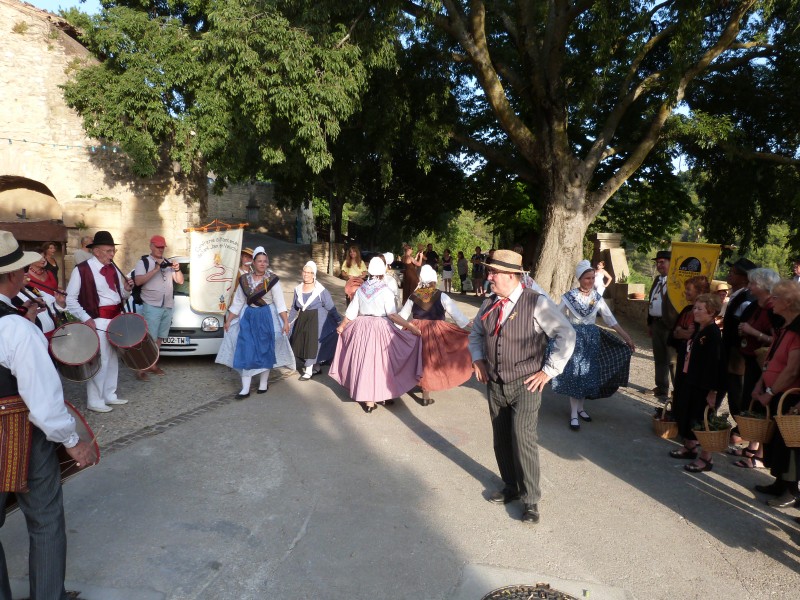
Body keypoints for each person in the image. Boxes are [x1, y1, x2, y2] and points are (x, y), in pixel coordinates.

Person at [0, 231, 98, 600]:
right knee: (44, 520)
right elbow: (41, 397)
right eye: (21, 272)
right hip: (19, 431)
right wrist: (72, 442)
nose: (26, 276)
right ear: (11, 277)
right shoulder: (15, 329)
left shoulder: (14, 322)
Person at [468, 250, 576, 524]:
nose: (489, 277)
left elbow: (566, 333)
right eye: (490, 272)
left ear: (511, 276)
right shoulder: (490, 303)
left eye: (494, 273)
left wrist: (548, 371)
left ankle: (531, 500)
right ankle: (511, 486)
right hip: (495, 382)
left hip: (526, 383)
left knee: (523, 437)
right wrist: (478, 359)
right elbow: (476, 333)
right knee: (501, 436)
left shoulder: (536, 302)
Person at [329, 257, 422, 413]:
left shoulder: (362, 289)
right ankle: (383, 395)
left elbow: (351, 312)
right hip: (380, 327)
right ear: (382, 271)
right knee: (383, 362)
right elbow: (392, 315)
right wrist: (410, 326)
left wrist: (343, 325)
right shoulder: (385, 290)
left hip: (361, 326)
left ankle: (369, 401)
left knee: (365, 362)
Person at [551, 260, 635, 430]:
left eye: (592, 278)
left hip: (591, 339)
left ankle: (581, 408)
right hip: (575, 339)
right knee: (576, 373)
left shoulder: (597, 298)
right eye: (587, 278)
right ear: (580, 279)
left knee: (587, 373)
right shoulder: (569, 297)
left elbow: (610, 320)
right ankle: (574, 413)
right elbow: (555, 315)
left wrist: (627, 338)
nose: (591, 281)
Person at [65, 230, 133, 413]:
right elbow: (70, 300)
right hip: (98, 319)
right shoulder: (82, 270)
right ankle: (94, 401)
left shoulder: (112, 269)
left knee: (112, 359)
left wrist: (126, 290)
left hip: (115, 318)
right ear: (96, 251)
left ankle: (109, 395)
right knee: (100, 360)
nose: (112, 254)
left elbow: (119, 296)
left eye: (113, 251)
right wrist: (87, 319)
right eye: (109, 251)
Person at [750, 280, 800, 507]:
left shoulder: (798, 330)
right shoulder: (786, 325)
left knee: (789, 443)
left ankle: (790, 490)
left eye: (777, 298)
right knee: (777, 441)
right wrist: (761, 382)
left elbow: (792, 370)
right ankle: (779, 483)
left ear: (788, 302)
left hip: (788, 395)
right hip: (775, 390)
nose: (773, 301)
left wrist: (770, 391)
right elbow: (773, 356)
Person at [221, 247, 293, 398]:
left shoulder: (272, 280)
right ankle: (245, 388)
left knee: (264, 349)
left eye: (265, 261)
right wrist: (229, 320)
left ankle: (263, 383)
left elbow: (280, 303)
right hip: (248, 316)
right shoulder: (244, 280)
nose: (262, 264)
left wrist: (285, 322)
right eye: (259, 261)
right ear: (253, 262)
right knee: (245, 348)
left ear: (267, 263)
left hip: (266, 316)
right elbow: (238, 302)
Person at [729, 268, 783, 467]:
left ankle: (760, 455)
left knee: (763, 405)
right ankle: (752, 446)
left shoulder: (773, 309)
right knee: (752, 401)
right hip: (752, 360)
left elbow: (776, 340)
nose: (749, 286)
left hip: (766, 364)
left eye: (753, 283)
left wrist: (753, 332)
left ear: (763, 286)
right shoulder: (756, 305)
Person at [667, 293, 726, 473]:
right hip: (690, 380)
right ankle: (689, 447)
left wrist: (713, 391)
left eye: (700, 309)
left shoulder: (713, 334)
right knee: (688, 414)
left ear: (711, 312)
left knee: (702, 420)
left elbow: (716, 365)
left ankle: (706, 458)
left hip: (703, 385)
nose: (695, 311)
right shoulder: (699, 329)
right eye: (695, 307)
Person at [399, 265, 472, 406]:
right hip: (436, 330)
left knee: (418, 358)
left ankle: (421, 387)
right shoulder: (442, 295)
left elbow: (403, 315)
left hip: (417, 329)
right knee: (431, 360)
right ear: (433, 279)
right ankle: (427, 392)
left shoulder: (414, 295)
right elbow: (456, 315)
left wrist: (394, 329)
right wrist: (469, 325)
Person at [133, 235, 184, 381]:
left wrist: (177, 269)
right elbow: (138, 281)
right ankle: (141, 368)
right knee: (148, 338)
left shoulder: (169, 262)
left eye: (162, 247)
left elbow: (179, 281)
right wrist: (156, 269)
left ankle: (153, 365)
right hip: (151, 305)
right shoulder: (143, 262)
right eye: (158, 246)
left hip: (167, 305)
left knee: (160, 338)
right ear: (151, 246)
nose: (160, 249)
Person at [721, 257, 758, 443]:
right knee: (726, 388)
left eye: (733, 272)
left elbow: (741, 330)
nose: (729, 274)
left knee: (737, 392)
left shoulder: (747, 299)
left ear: (744, 279)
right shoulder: (737, 295)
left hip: (737, 355)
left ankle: (742, 429)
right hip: (728, 351)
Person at [289, 261, 341, 381]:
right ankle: (316, 367)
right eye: (304, 271)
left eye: (309, 272)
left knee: (312, 344)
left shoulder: (321, 291)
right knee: (299, 342)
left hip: (317, 320)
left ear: (314, 274)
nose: (306, 274)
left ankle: (308, 371)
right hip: (303, 319)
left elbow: (331, 307)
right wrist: (288, 321)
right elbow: (294, 307)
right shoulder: (298, 289)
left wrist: (338, 321)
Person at [646, 250, 678, 398]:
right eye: (657, 262)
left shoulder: (675, 282)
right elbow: (651, 301)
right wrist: (650, 323)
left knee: (672, 360)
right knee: (659, 358)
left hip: (670, 325)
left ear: (671, 264)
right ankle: (661, 387)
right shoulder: (657, 280)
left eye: (662, 262)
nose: (659, 265)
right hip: (656, 323)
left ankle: (677, 391)